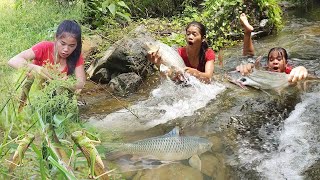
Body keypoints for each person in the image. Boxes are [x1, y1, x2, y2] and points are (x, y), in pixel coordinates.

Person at [8, 20, 86, 111]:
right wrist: (35, 68)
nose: (66, 49)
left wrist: (68, 84)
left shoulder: (76, 56)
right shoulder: (44, 47)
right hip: (33, 94)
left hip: (54, 99)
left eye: (72, 45)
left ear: (77, 45)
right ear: (56, 38)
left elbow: (81, 82)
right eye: (63, 43)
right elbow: (13, 60)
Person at [236, 13, 308, 83]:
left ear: (286, 63)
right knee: (248, 58)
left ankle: (247, 32)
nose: (275, 62)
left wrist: (302, 69)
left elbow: (308, 76)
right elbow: (255, 68)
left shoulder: (289, 71)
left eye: (279, 59)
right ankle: (247, 32)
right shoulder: (266, 69)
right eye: (271, 59)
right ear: (268, 64)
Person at [147, 21, 215, 83]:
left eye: (194, 34)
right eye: (188, 34)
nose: (190, 37)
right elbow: (169, 76)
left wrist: (194, 73)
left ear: (203, 38)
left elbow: (208, 78)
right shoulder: (179, 53)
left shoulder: (208, 53)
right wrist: (158, 64)